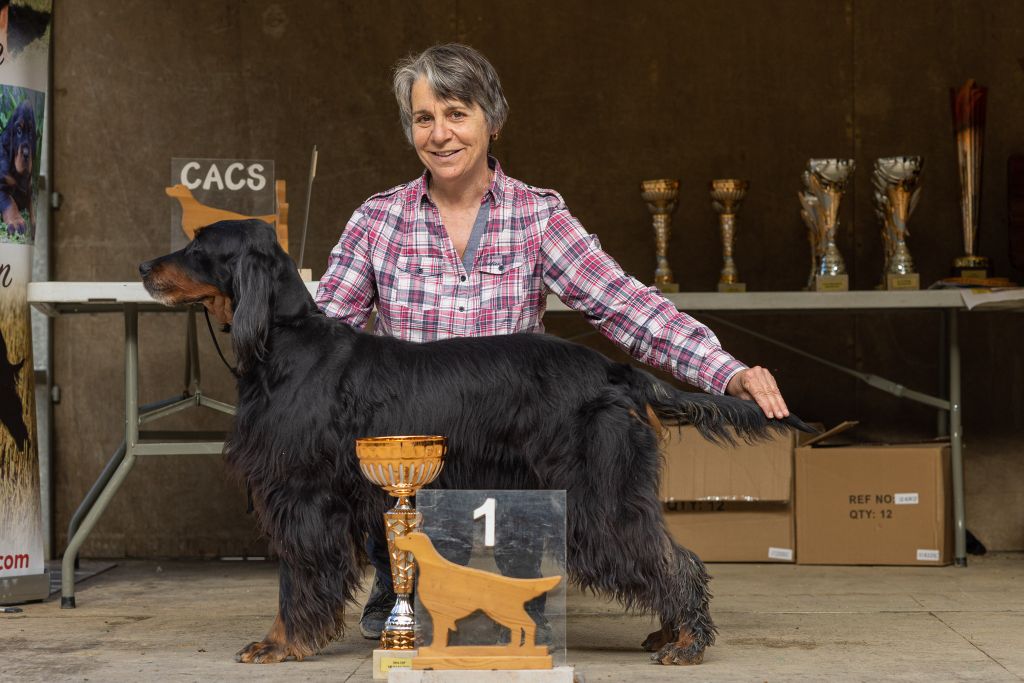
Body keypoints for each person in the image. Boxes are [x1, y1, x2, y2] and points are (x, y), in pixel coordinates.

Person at [208, 43, 790, 639]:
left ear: (493, 119)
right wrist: (247, 300)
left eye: (457, 113)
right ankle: (396, 584)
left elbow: (626, 305)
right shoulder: (377, 220)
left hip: (516, 457)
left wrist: (725, 372)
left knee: (539, 595)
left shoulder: (538, 215)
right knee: (414, 628)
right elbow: (320, 337)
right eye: (423, 118)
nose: (440, 134)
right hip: (412, 474)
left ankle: (676, 604)